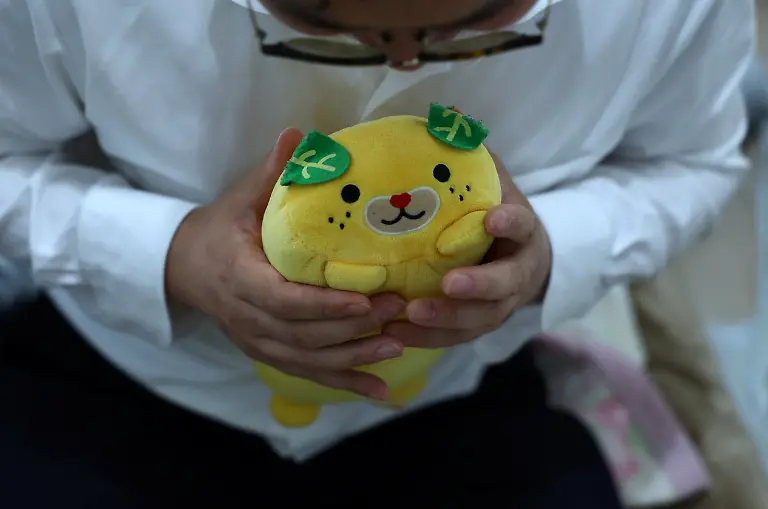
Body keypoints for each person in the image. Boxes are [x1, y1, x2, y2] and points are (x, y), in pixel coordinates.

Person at [0, 0, 754, 507]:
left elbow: (694, 159)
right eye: (317, 17)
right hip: (127, 375)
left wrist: (554, 250)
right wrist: (169, 254)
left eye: (480, 22)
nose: (401, 66)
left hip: (456, 393)